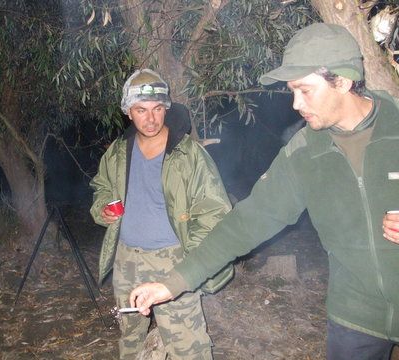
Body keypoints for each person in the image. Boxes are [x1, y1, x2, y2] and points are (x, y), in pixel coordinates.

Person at [129, 23, 399, 360]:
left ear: (342, 81)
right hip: (355, 317)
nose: (296, 104)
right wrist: (173, 282)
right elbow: (247, 222)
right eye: (292, 91)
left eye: (306, 90)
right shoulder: (305, 151)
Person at [89, 68, 233, 359]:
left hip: (173, 259)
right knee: (129, 336)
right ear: (128, 112)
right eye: (141, 110)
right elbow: (101, 187)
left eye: (157, 109)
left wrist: (193, 259)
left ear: (166, 108)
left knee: (188, 345)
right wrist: (103, 208)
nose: (151, 119)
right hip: (127, 257)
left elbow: (215, 212)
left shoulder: (188, 154)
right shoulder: (118, 152)